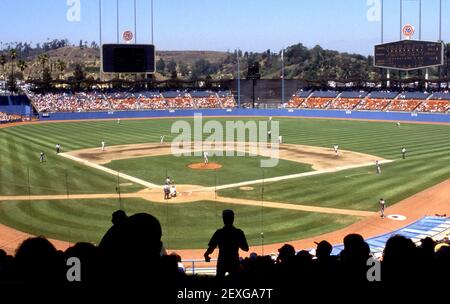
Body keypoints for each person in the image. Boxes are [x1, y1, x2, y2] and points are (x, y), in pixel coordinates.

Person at [204, 209, 249, 278]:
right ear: (233, 218)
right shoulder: (238, 232)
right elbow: (246, 248)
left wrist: (206, 255)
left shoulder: (219, 232)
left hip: (222, 261)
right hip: (234, 261)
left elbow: (212, 247)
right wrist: (237, 241)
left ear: (223, 219)